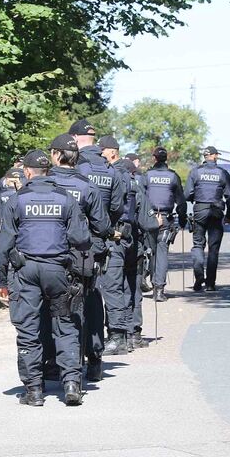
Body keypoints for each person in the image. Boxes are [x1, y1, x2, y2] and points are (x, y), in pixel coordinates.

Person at [0, 150, 90, 407]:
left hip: (26, 272)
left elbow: (3, 245)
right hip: (58, 271)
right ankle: (71, 384)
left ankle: (34, 391)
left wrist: (0, 281)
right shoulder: (65, 199)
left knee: (28, 330)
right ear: (49, 171)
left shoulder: (16, 200)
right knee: (65, 325)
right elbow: (82, 239)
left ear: (26, 172)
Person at [47, 133, 111, 382]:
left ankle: (53, 363)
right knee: (89, 304)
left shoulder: (45, 182)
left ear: (55, 155)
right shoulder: (87, 186)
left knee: (49, 307)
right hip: (81, 256)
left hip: (50, 255)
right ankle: (93, 360)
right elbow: (103, 225)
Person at [72, 121, 130, 355]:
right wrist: (104, 224)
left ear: (75, 138)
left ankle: (80, 344)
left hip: (80, 240)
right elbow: (118, 206)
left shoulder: (77, 167)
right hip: (107, 237)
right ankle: (115, 338)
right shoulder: (111, 170)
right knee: (110, 288)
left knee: (79, 292)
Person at [111, 154, 158, 349]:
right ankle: (134, 334)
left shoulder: (109, 185)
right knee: (134, 289)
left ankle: (118, 334)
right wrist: (158, 222)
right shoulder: (136, 187)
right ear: (132, 173)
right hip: (134, 245)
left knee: (116, 289)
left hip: (114, 243)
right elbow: (149, 223)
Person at [184, 146, 230, 291]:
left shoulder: (195, 172)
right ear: (214, 156)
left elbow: (187, 194)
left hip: (200, 210)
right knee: (214, 249)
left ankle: (199, 274)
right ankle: (210, 284)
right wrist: (229, 216)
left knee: (198, 244)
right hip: (216, 211)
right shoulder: (222, 173)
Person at [143, 147, 187, 302]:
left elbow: (140, 198)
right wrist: (183, 220)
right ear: (165, 159)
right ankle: (159, 290)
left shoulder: (147, 175)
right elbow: (181, 202)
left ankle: (143, 279)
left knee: (147, 251)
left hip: (148, 218)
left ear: (154, 158)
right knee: (161, 253)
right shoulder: (173, 177)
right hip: (165, 219)